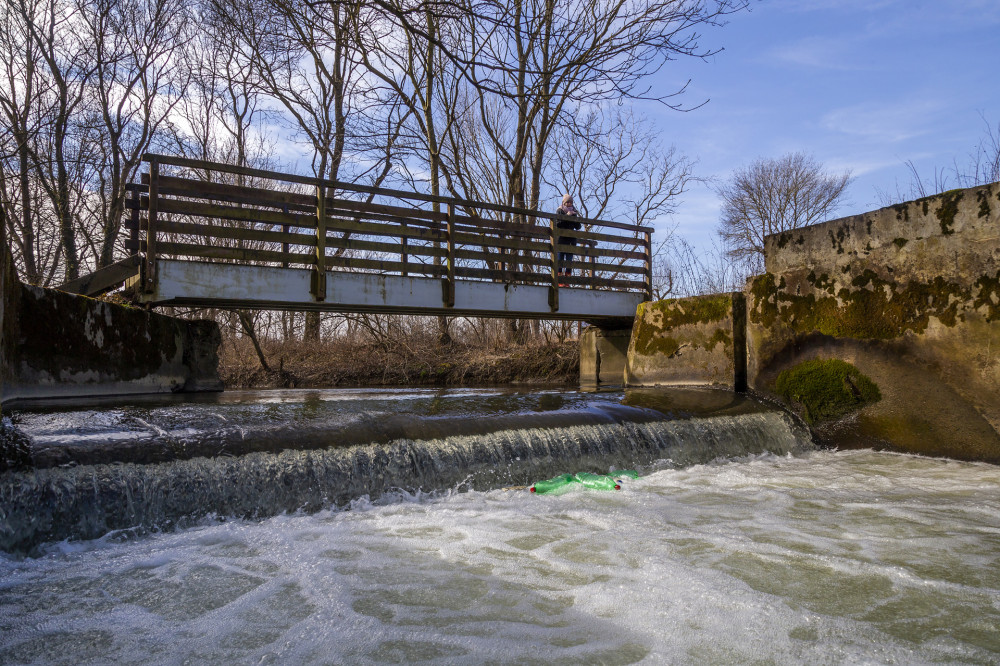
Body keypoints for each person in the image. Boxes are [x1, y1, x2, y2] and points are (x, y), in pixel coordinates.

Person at [555, 194, 581, 282]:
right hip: (561, 240)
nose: (570, 204)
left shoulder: (574, 212)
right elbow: (558, 224)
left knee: (569, 261)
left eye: (571, 202)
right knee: (560, 260)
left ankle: (567, 281)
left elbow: (578, 226)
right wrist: (567, 216)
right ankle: (559, 280)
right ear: (564, 203)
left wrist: (574, 217)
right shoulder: (560, 211)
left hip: (571, 240)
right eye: (568, 202)